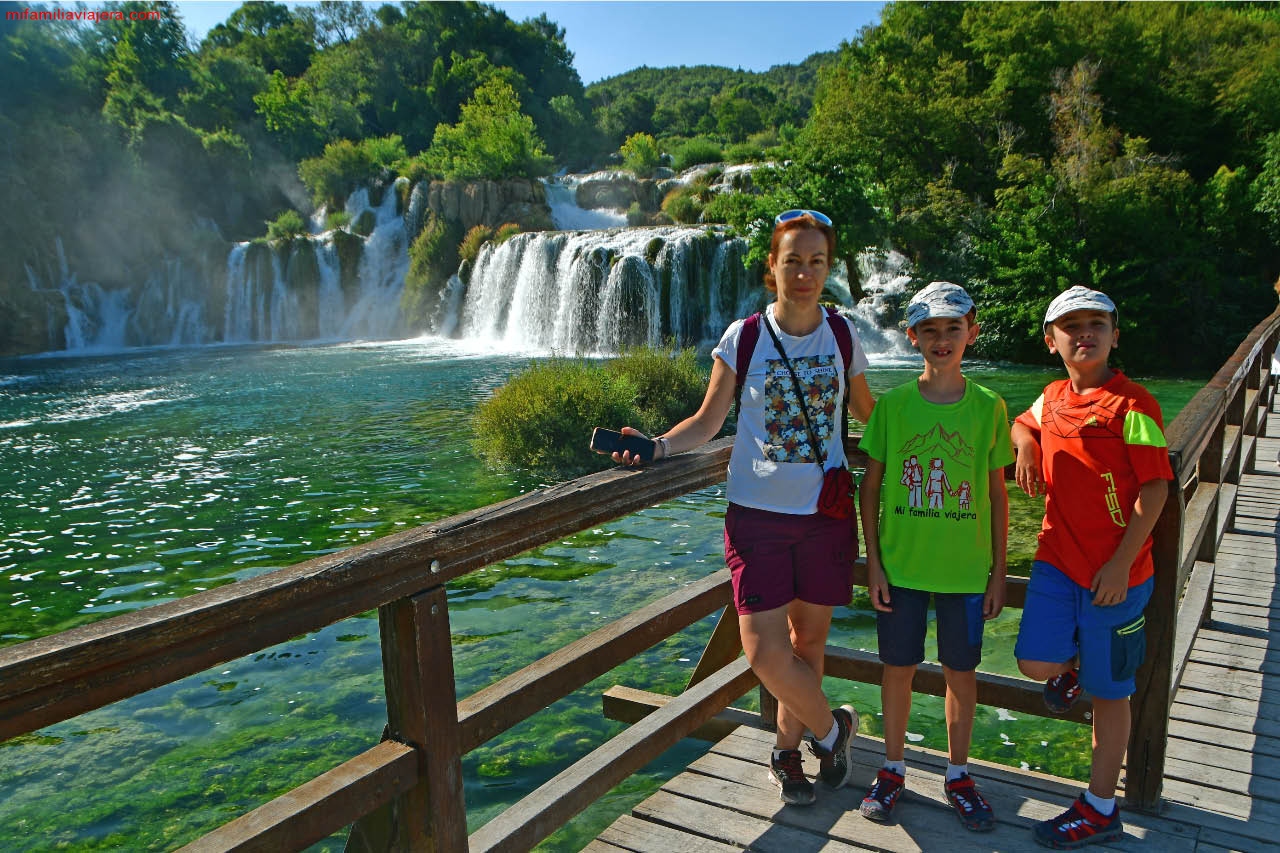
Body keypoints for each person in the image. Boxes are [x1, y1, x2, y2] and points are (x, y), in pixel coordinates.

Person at [595, 209, 875, 806]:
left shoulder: (843, 335)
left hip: (823, 516)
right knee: (762, 649)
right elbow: (708, 421)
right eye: (792, 260)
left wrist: (946, 428)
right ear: (771, 267)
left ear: (829, 269)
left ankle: (787, 755)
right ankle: (834, 731)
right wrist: (658, 447)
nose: (804, 272)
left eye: (816, 261)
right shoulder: (743, 336)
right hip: (757, 517)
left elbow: (872, 416)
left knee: (809, 647)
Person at [1011, 285, 1173, 848]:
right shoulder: (1052, 396)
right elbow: (1022, 421)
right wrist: (1026, 442)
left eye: (1096, 324)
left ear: (1114, 336)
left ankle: (1101, 807)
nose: (1085, 334)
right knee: (1034, 662)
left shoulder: (1136, 406)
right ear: (1052, 341)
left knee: (1112, 695)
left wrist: (1121, 565)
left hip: (1117, 575)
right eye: (1071, 325)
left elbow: (1154, 489)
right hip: (1059, 558)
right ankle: (1072, 666)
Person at [857, 281, 1014, 831]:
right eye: (930, 330)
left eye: (953, 329)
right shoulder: (893, 407)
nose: (941, 340)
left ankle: (958, 774)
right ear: (912, 337)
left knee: (961, 672)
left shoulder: (989, 407)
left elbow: (997, 493)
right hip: (901, 567)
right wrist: (873, 563)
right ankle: (893, 767)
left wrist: (999, 571)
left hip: (966, 573)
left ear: (971, 332)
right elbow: (870, 488)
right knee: (897, 668)